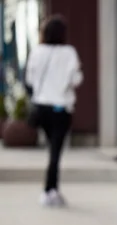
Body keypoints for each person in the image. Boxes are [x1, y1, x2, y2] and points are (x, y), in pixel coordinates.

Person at [25, 14, 83, 207]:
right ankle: (50, 190)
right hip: (60, 108)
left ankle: (51, 190)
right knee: (56, 152)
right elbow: (76, 80)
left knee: (53, 149)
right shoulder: (69, 53)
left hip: (42, 107)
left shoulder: (37, 52)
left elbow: (30, 80)